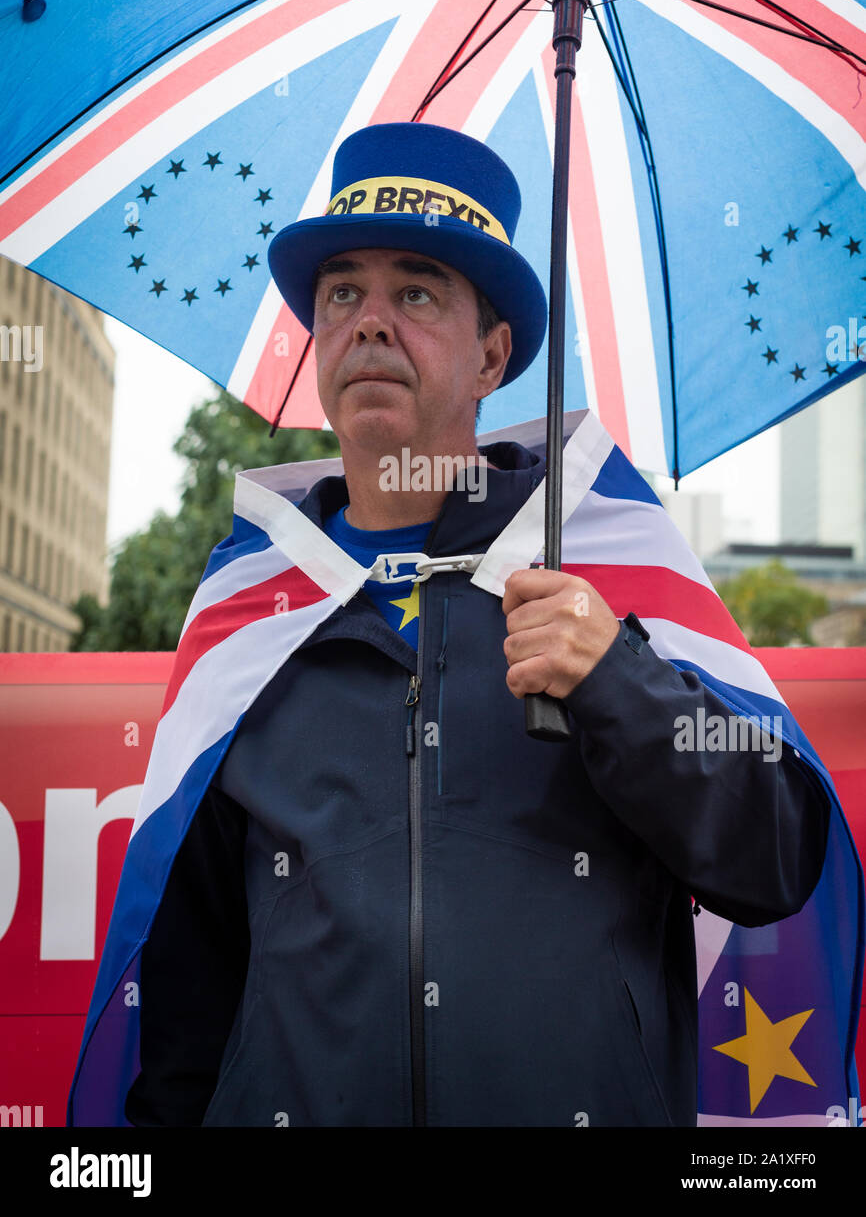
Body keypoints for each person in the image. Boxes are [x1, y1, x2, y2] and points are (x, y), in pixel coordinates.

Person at [117, 122, 831, 1127]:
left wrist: (614, 682)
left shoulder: (613, 562)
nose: (370, 321)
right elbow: (186, 1001)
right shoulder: (248, 611)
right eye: (341, 293)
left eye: (414, 292)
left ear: (493, 353)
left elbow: (775, 853)